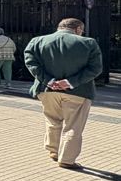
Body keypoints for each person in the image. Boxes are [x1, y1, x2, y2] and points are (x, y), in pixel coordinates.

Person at [24, 18, 102, 170]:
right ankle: (67, 159)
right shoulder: (89, 43)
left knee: (52, 120)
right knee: (73, 126)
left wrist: (49, 80)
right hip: (78, 91)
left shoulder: (37, 41)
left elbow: (31, 63)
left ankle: (53, 150)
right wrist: (70, 82)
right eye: (82, 30)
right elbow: (95, 68)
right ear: (78, 29)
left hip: (47, 90)